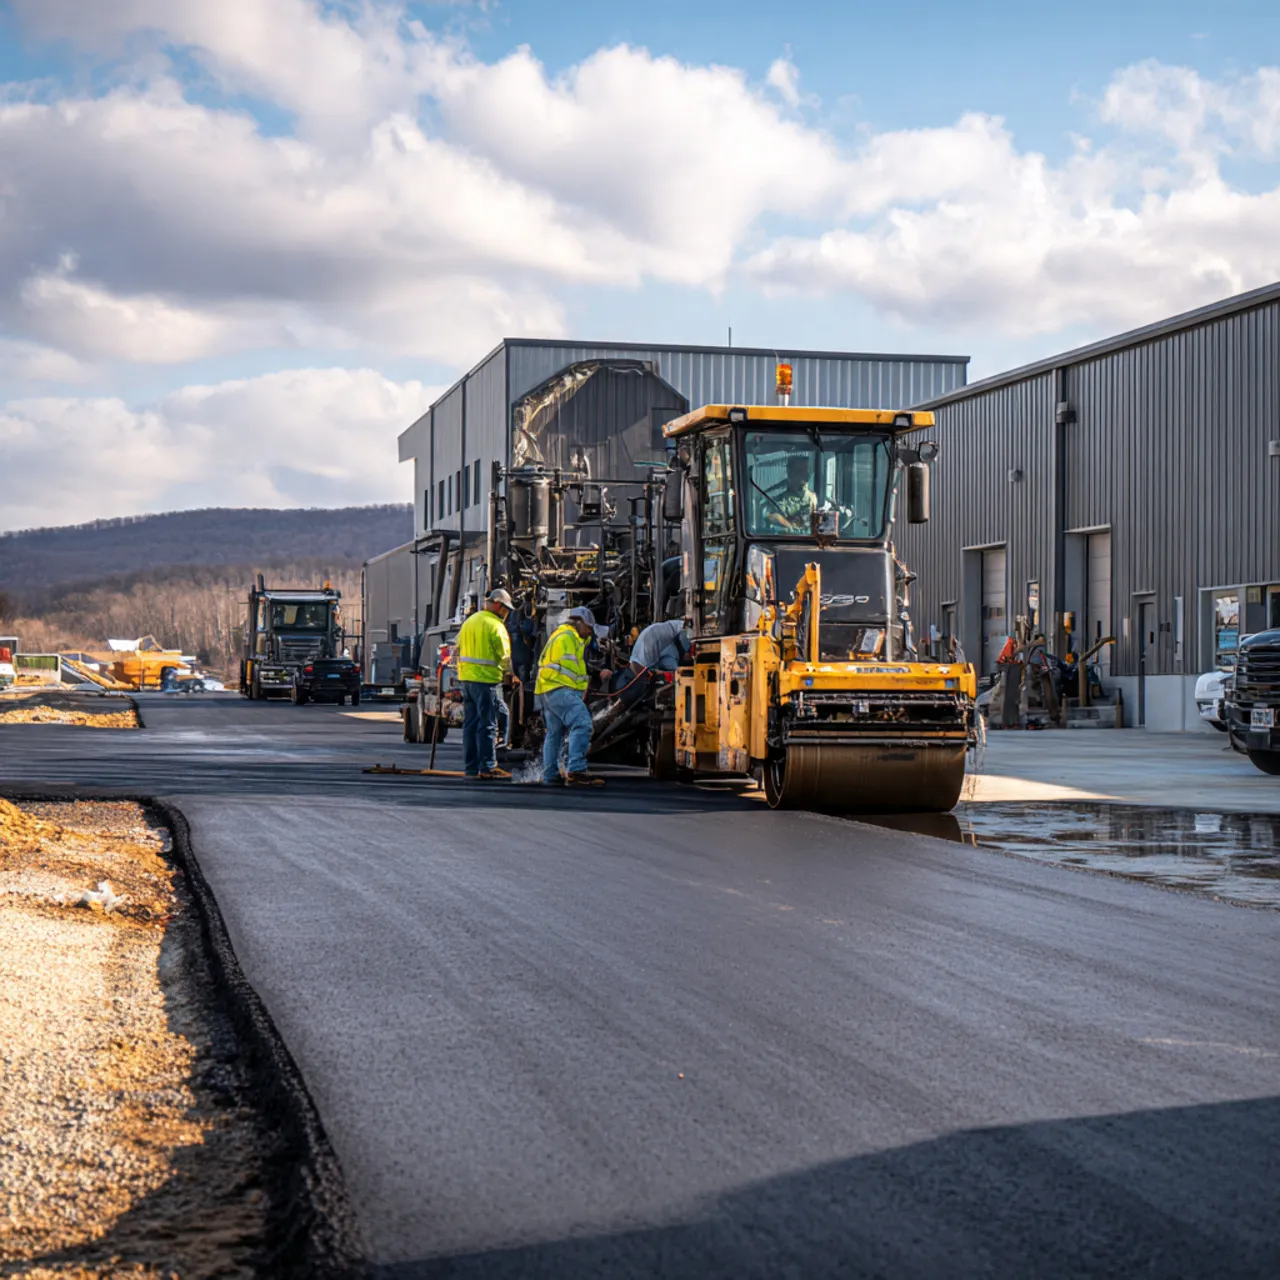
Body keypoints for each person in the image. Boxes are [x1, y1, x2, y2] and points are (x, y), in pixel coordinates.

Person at [535, 605, 599, 787]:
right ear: (579, 623)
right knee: (582, 723)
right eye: (589, 628)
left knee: (554, 733)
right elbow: (569, 667)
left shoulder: (563, 636)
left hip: (549, 689)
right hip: (559, 689)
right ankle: (576, 771)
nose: (590, 633)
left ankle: (550, 775)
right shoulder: (568, 638)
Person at [456, 588, 516, 780]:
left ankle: (471, 768)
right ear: (498, 605)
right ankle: (489, 766)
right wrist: (511, 674)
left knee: (470, 725)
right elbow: (504, 655)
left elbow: (457, 648)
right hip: (486, 680)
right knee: (488, 725)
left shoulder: (470, 621)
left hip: (466, 679)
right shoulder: (496, 626)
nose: (506, 613)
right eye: (505, 609)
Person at [612, 618, 690, 708]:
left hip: (641, 671)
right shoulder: (651, 643)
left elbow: (671, 667)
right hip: (640, 673)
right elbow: (684, 626)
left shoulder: (659, 646)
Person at [766, 455, 818, 531]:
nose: (805, 476)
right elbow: (770, 516)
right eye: (799, 471)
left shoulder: (815, 499)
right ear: (789, 474)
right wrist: (787, 524)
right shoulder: (778, 501)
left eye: (806, 471)